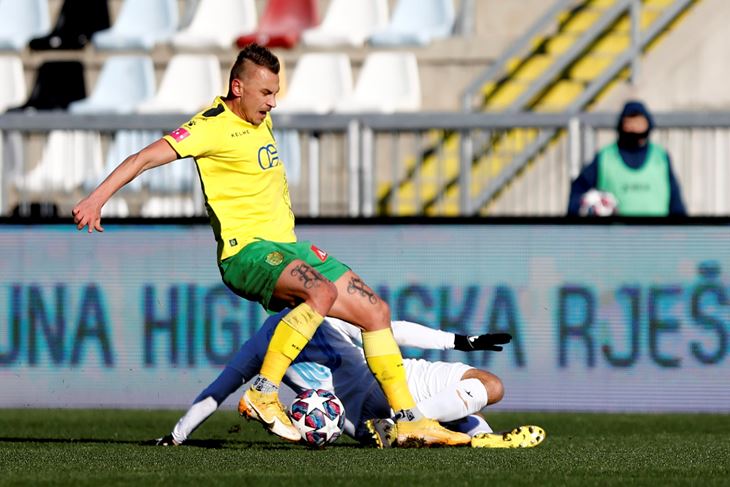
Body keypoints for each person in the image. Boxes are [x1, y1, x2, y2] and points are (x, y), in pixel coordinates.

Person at [72, 44, 468, 446]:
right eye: (266, 93)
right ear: (238, 87)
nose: (273, 103)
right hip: (247, 253)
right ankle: (263, 392)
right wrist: (96, 199)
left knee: (375, 311)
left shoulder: (258, 118)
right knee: (321, 292)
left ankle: (408, 419)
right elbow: (142, 158)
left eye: (276, 93)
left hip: (289, 247)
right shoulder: (209, 125)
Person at [155, 311, 545, 449]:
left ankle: (458, 437)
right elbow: (219, 390)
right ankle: (464, 437)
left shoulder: (322, 310)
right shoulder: (263, 344)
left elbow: (389, 330)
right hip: (361, 417)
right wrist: (178, 434)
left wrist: (460, 341)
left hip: (395, 376)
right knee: (465, 410)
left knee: (490, 386)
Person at [567, 100, 687, 216]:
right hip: (617, 235)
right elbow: (578, 191)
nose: (634, 128)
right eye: (629, 123)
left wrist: (680, 229)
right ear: (622, 125)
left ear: (648, 125)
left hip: (655, 235)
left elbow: (675, 199)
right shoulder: (606, 157)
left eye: (639, 123)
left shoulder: (660, 157)